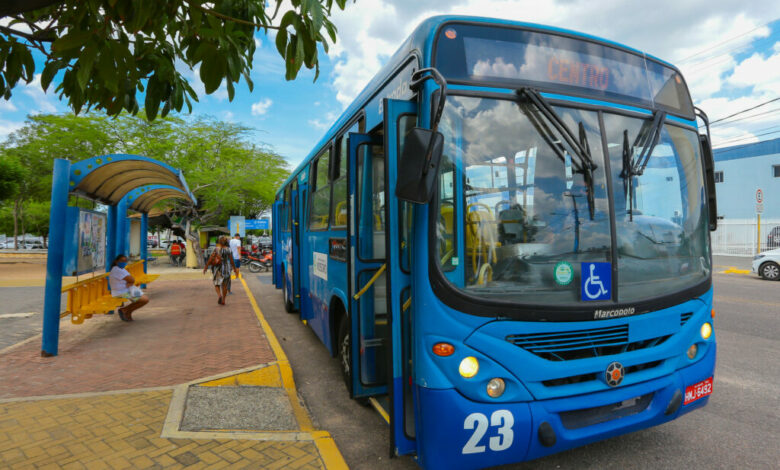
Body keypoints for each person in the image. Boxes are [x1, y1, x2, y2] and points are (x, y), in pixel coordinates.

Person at [108, 254, 149, 322]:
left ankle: (127, 311)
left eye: (125, 261)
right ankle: (124, 310)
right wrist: (130, 282)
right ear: (116, 261)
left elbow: (131, 279)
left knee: (144, 300)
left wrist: (130, 282)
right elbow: (132, 279)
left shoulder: (121, 269)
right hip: (121, 292)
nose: (123, 262)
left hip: (129, 289)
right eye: (121, 261)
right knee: (144, 300)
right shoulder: (117, 270)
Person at [204, 236, 237, 305]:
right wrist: (234, 269)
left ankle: (219, 295)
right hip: (227, 269)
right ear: (226, 242)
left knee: (216, 283)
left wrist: (206, 267)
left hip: (218, 268)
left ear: (219, 242)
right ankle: (224, 300)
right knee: (224, 285)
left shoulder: (216, 249)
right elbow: (231, 260)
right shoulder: (229, 250)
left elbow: (211, 258)